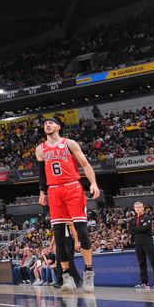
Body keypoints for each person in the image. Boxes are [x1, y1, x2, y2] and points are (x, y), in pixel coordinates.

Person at [36, 117, 99, 293]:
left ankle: (88, 272)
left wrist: (93, 183)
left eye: (51, 123)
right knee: (59, 236)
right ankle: (66, 276)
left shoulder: (69, 143)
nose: (47, 125)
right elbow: (42, 174)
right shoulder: (40, 149)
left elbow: (85, 164)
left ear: (58, 127)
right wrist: (42, 193)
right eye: (45, 124)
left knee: (81, 230)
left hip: (72, 187)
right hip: (54, 191)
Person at [129, 201, 154, 289]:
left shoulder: (147, 217)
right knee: (141, 263)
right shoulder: (132, 220)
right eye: (136, 207)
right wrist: (138, 229)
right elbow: (131, 230)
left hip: (147, 242)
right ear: (134, 209)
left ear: (143, 208)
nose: (138, 209)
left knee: (153, 262)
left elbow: (145, 228)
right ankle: (144, 283)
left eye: (140, 207)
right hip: (137, 243)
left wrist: (136, 229)